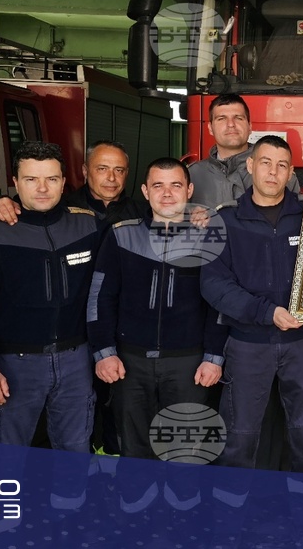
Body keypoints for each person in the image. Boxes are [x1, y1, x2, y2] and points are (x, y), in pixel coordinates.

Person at [0, 141, 103, 452]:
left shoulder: (88, 225)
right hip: (13, 365)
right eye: (31, 179)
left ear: (64, 182)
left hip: (76, 362)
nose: (42, 188)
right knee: (7, 459)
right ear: (15, 181)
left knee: (74, 454)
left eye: (51, 179)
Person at [201, 135, 303, 474]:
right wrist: (266, 312)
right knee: (240, 436)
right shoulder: (224, 221)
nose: (273, 172)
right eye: (265, 163)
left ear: (290, 173)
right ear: (250, 166)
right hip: (248, 345)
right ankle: (233, 503)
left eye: (281, 165)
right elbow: (213, 284)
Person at [86, 157, 227, 461]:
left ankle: (182, 495)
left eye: (175, 185)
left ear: (189, 190)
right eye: (158, 185)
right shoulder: (120, 234)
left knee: (186, 451)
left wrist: (214, 357)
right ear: (145, 191)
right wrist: (104, 352)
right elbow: (100, 297)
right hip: (129, 361)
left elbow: (219, 303)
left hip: (188, 363)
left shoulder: (208, 239)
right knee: (134, 448)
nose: (167, 193)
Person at [0, 140, 150, 225]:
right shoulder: (61, 206)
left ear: (127, 173)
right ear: (85, 171)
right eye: (102, 169)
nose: (112, 178)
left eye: (119, 170)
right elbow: (25, 206)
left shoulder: (144, 213)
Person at [189, 93, 300, 209]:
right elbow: (179, 216)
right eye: (221, 119)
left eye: (238, 118)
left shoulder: (280, 174)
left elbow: (296, 217)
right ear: (210, 128)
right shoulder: (193, 175)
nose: (231, 124)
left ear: (250, 127)